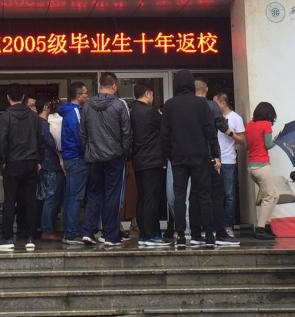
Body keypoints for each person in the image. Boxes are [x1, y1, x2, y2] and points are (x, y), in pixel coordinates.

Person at [162, 69, 217, 250]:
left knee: (180, 197)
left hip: (178, 157)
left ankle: (180, 236)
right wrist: (215, 154)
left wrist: (168, 155)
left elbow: (165, 134)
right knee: (204, 196)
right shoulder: (202, 104)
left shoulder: (169, 105)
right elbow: (210, 131)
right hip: (200, 156)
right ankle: (209, 235)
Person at [81, 72, 131, 248]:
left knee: (94, 194)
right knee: (112, 195)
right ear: (114, 86)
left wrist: (88, 150)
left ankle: (88, 232)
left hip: (94, 157)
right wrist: (125, 152)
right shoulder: (119, 105)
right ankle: (111, 235)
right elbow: (126, 132)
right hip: (114, 156)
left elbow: (83, 133)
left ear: (99, 86)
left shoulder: (87, 105)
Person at [0, 84, 42, 251]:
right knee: (30, 200)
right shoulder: (34, 116)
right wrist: (38, 160)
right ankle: (30, 237)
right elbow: (40, 139)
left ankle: (7, 238)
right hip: (31, 162)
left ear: (8, 98)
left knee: (9, 200)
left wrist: (3, 160)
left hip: (12, 162)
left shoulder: (6, 116)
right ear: (23, 97)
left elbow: (2, 140)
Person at [194, 79, 231, 246]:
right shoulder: (211, 106)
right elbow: (220, 126)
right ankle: (218, 231)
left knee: (195, 195)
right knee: (216, 194)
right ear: (206, 89)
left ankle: (196, 232)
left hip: (192, 157)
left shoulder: (189, 107)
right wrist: (230, 131)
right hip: (210, 156)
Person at [130, 82, 165, 247]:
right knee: (152, 197)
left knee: (143, 197)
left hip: (138, 160)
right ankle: (152, 235)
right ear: (147, 93)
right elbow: (165, 128)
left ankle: (144, 233)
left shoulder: (132, 111)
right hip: (152, 160)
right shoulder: (151, 111)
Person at [58, 80, 89, 244]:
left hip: (70, 158)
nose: (87, 96)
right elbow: (80, 136)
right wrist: (88, 153)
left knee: (71, 196)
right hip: (77, 158)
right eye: (85, 93)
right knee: (75, 197)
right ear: (78, 95)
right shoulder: (75, 112)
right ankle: (72, 233)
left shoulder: (67, 111)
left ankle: (70, 231)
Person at [245, 101, 280, 241]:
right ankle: (260, 228)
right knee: (271, 196)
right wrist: (278, 139)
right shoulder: (266, 125)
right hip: (262, 166)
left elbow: (247, 146)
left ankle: (266, 225)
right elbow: (268, 145)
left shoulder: (249, 125)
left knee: (272, 195)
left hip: (251, 167)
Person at [215, 93, 246, 236]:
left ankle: (228, 225)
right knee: (214, 194)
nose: (214, 106)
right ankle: (215, 226)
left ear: (223, 102)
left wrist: (229, 132)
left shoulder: (236, 118)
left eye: (216, 103)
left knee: (229, 195)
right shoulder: (213, 117)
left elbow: (242, 141)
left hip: (228, 161)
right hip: (214, 160)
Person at [37, 101, 64, 242]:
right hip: (51, 164)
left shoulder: (39, 122)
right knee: (51, 199)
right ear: (45, 107)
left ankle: (47, 228)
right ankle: (47, 230)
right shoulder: (42, 123)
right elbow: (51, 142)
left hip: (45, 165)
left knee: (48, 198)